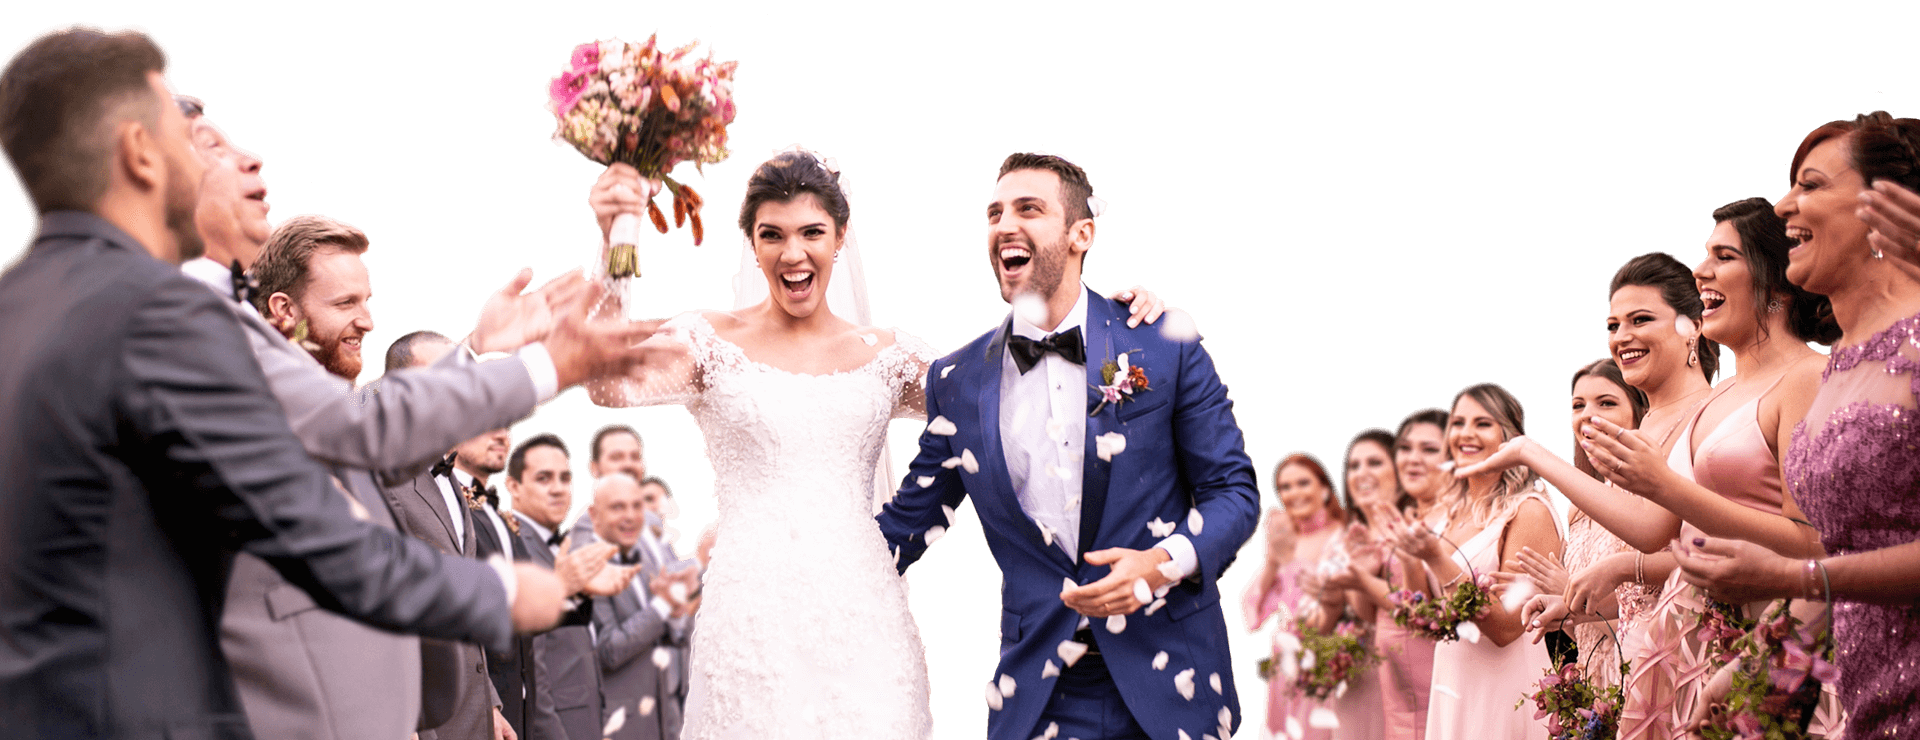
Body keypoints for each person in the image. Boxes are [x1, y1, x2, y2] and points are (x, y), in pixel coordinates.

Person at [0, 23, 566, 737]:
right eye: (186, 124)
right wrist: (505, 591)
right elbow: (323, 528)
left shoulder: (17, 303)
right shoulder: (155, 307)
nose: (221, 150)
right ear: (140, 153)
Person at [583, 146, 1179, 739]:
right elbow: (606, 382)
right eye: (773, 235)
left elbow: (1016, 395)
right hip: (750, 616)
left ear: (840, 237)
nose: (794, 254)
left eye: (812, 232)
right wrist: (617, 234)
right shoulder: (708, 343)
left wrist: (1115, 327)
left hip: (864, 614)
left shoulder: (887, 357)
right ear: (752, 243)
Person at [880, 151, 1259, 740]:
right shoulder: (956, 381)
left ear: (1082, 233)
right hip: (1040, 692)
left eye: (1029, 209)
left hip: (1173, 679)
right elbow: (904, 528)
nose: (1005, 224)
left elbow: (1234, 494)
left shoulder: (1163, 342)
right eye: (994, 213)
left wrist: (1162, 564)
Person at [1676, 110, 1920, 736]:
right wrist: (1762, 665)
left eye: (1810, 185)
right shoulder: (1841, 363)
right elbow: (1845, 552)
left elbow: (1815, 566)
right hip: (1874, 703)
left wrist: (1791, 575)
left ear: (1882, 207)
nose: (1784, 206)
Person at [1378, 382, 1563, 740]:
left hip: (1507, 689)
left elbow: (1508, 626)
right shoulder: (1450, 514)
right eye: (1459, 423)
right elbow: (1430, 620)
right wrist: (1411, 554)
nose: (1466, 433)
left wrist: (1435, 556)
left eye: (1483, 423)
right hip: (1453, 683)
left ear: (1509, 436)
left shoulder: (1529, 511)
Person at [381, 330, 520, 740]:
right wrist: (403, 721)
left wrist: (489, 701)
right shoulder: (384, 479)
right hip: (423, 720)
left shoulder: (451, 481)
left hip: (473, 712)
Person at [1507, 359, 1649, 690]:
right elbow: (1582, 630)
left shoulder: (1649, 497)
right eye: (1578, 405)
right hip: (1593, 675)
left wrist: (1570, 589)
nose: (1587, 414)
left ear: (1639, 411)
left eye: (1607, 402)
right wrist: (1559, 608)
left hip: (1637, 669)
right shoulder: (1577, 508)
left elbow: (1647, 613)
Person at [506, 432, 638, 740]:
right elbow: (531, 663)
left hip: (589, 715)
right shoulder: (515, 549)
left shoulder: (564, 546)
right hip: (555, 726)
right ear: (513, 486)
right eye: (543, 478)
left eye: (566, 478)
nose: (558, 489)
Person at [1241, 452, 1357, 740]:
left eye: (1302, 483)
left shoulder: (1348, 537)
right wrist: (1272, 561)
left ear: (1325, 487)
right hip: (1288, 660)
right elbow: (1252, 618)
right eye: (1284, 487)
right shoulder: (1285, 540)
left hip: (1333, 659)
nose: (1293, 494)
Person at [588, 473, 697, 740]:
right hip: (623, 722)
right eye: (617, 507)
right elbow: (609, 650)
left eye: (636, 506)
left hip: (667, 713)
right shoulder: (589, 566)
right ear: (594, 514)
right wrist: (663, 605)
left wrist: (676, 614)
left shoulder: (651, 557)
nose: (630, 516)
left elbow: (674, 634)